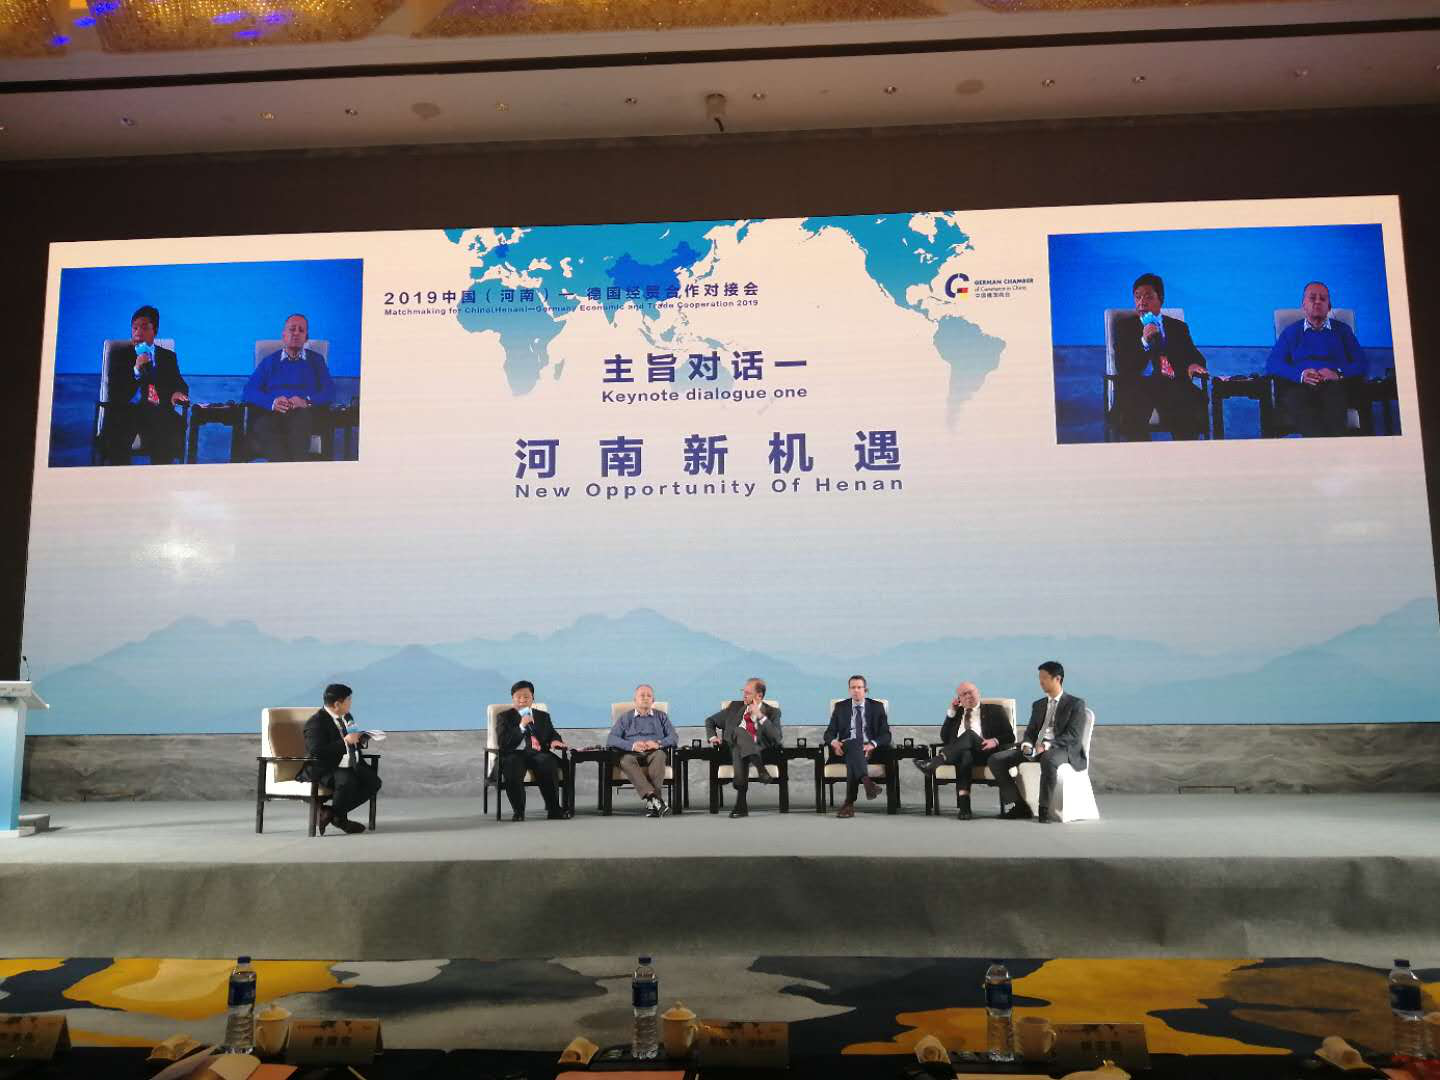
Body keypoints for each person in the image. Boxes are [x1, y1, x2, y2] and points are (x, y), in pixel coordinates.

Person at [1111, 273, 1209, 441]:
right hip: (1138, 386)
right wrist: (1144, 341)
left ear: (1161, 299)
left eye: (1148, 297)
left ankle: (1186, 454)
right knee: (1132, 409)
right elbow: (1123, 366)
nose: (1142, 302)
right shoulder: (1124, 326)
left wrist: (1192, 365)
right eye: (1137, 297)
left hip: (1170, 385)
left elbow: (1194, 355)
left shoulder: (1178, 327)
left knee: (1190, 405)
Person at [988, 662, 1088, 824]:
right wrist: (1027, 744)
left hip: (1062, 749)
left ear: (1057, 679)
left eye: (1044, 678)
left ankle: (1044, 809)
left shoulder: (1075, 704)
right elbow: (1031, 731)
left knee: (1049, 758)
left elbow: (1073, 736)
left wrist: (1046, 745)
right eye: (1039, 678)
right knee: (996, 759)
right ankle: (1020, 806)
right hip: (1035, 749)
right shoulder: (1039, 704)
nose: (1041, 682)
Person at [1266, 281, 1366, 437]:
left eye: (1323, 299)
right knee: (1295, 399)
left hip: (1334, 386)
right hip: (1301, 386)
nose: (1318, 302)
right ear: (1304, 305)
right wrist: (1301, 375)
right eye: (1312, 298)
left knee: (1335, 399)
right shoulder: (1291, 332)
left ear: (1329, 306)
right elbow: (1273, 363)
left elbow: (1361, 363)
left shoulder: (1343, 331)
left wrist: (1338, 373)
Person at [243, 314, 336, 461]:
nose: (296, 333)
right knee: (263, 425)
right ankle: (282, 469)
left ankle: (293, 468)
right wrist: (272, 402)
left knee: (301, 420)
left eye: (301, 330)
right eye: (292, 329)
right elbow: (249, 391)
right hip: (273, 414)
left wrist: (306, 401)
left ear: (306, 337)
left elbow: (330, 391)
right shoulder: (269, 362)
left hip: (303, 415)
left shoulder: (316, 361)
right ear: (284, 335)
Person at [916, 681, 1015, 820]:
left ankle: (936, 761)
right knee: (965, 754)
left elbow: (1010, 736)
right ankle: (965, 808)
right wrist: (951, 713)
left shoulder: (995, 710)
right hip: (960, 755)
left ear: (978, 692)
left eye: (971, 692)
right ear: (959, 699)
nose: (968, 696)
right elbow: (945, 738)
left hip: (986, 752)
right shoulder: (956, 714)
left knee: (969, 734)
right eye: (963, 694)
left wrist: (994, 741)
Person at [104, 304, 189, 464]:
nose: (138, 333)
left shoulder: (167, 356)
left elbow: (179, 383)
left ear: (155, 331)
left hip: (157, 412)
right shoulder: (120, 355)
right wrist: (136, 369)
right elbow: (115, 392)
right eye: (134, 328)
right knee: (119, 430)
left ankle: (162, 475)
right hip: (127, 411)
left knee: (172, 425)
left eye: (144, 328)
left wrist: (177, 392)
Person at [299, 683, 381, 836]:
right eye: (349, 700)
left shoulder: (347, 717)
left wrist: (361, 739)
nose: (351, 703)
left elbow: (351, 740)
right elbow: (317, 752)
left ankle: (331, 813)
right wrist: (345, 742)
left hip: (349, 763)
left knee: (374, 782)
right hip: (325, 768)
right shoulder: (316, 722)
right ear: (337, 704)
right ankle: (341, 819)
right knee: (348, 779)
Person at [704, 678, 783, 819]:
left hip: (760, 752)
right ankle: (761, 770)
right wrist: (713, 737)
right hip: (730, 751)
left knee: (739, 748)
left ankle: (741, 805)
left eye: (748, 693)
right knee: (739, 732)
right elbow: (710, 721)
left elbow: (777, 737)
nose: (744, 695)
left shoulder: (772, 712)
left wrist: (760, 716)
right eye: (743, 692)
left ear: (759, 695)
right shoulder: (735, 707)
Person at [494, 680, 569, 821]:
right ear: (512, 699)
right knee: (512, 765)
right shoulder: (504, 717)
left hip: (536, 753)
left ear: (533, 698)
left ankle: (554, 809)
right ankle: (518, 812)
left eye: (526, 696)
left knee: (547, 762)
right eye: (518, 697)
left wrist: (555, 740)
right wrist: (521, 726)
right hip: (514, 754)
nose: (522, 700)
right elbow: (503, 743)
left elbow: (552, 733)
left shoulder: (542, 716)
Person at [823, 675, 891, 818]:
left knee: (853, 759)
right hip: (845, 748)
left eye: (859, 687)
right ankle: (867, 782)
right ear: (849, 690)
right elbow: (828, 734)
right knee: (853, 743)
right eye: (853, 687)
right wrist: (834, 743)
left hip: (870, 750)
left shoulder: (877, 707)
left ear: (865, 690)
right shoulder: (840, 707)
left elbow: (886, 735)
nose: (856, 690)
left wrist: (872, 744)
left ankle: (849, 803)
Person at [607, 685, 676, 817]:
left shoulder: (661, 716)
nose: (645, 698)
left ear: (653, 700)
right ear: (635, 700)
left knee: (660, 755)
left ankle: (653, 802)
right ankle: (655, 799)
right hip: (631, 753)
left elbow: (673, 737)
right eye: (642, 695)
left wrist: (658, 743)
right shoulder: (625, 718)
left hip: (653, 752)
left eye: (649, 696)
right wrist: (632, 745)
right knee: (625, 760)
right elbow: (611, 739)